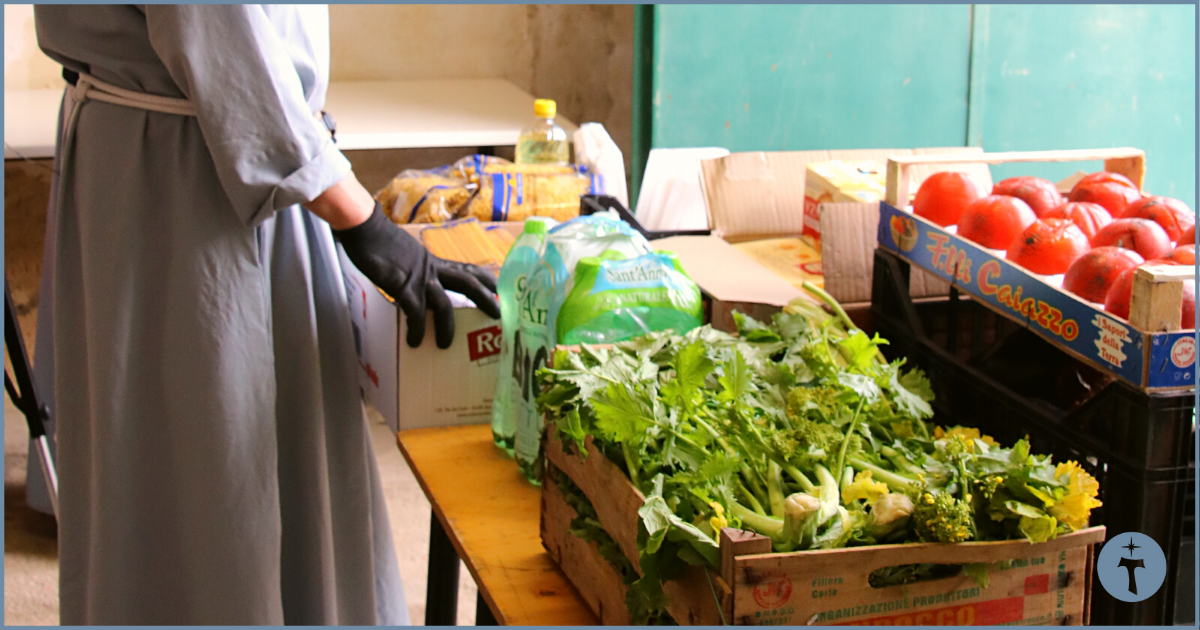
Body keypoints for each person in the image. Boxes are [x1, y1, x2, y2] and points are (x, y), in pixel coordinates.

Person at [30, 5, 500, 625]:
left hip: (197, 154)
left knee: (205, 453)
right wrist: (363, 221)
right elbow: (220, 40)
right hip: (189, 183)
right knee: (209, 467)